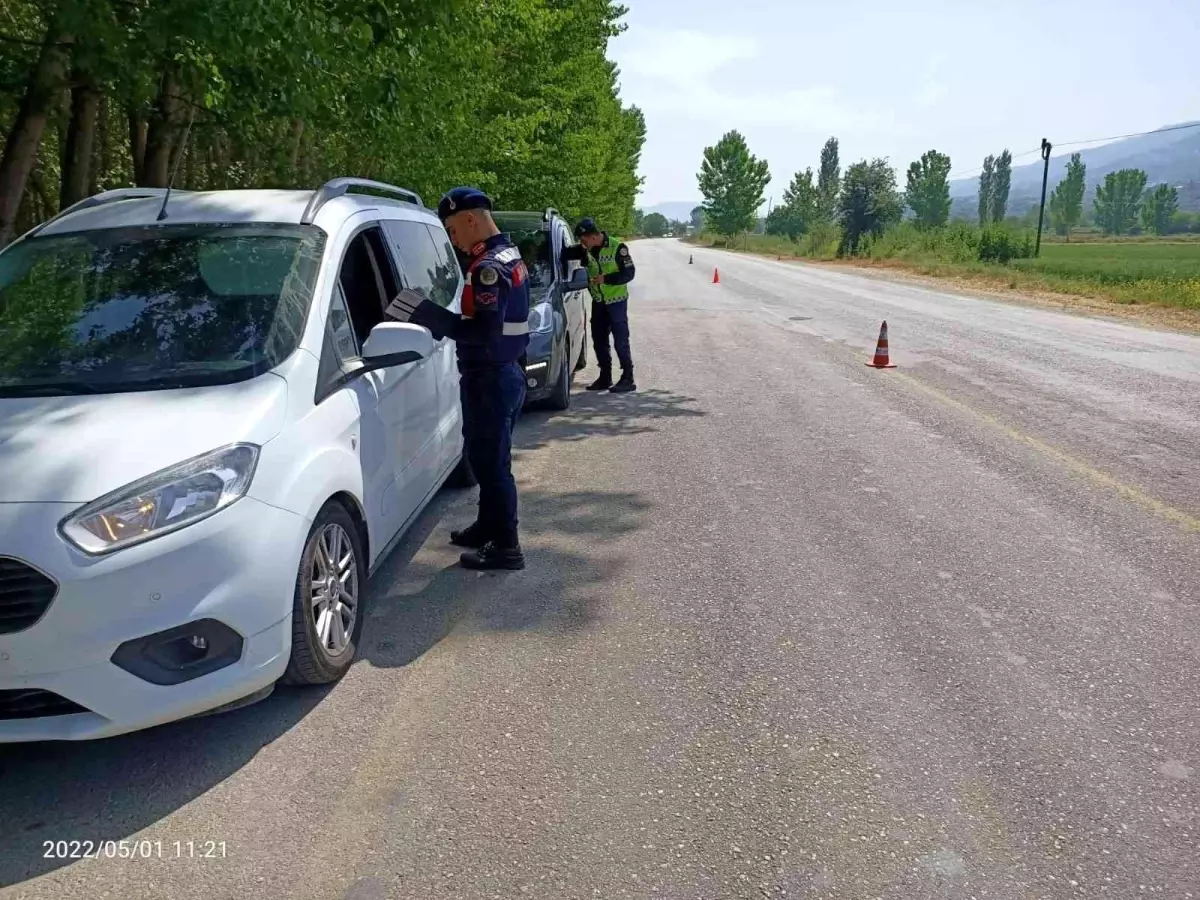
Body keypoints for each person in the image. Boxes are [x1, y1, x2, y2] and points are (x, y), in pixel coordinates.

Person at [384, 187, 530, 571]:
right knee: (484, 457)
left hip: (491, 378)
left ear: (470, 219)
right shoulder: (508, 255)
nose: (453, 239)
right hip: (501, 373)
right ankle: (488, 526)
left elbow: (482, 332)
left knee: (493, 464)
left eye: (451, 229)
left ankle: (506, 546)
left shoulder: (488, 268)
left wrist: (423, 312)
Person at [567, 217, 636, 393]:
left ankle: (628, 378)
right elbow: (565, 254)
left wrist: (606, 279)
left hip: (616, 302)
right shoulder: (586, 250)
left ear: (592, 236)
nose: (582, 243)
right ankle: (605, 377)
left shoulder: (618, 248)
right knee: (599, 340)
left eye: (583, 239)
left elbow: (629, 273)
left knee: (621, 341)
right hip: (599, 302)